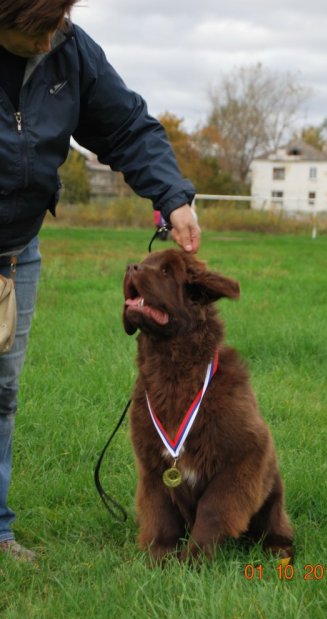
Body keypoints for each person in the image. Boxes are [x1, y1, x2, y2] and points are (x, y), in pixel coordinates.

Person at [0, 0, 200, 562]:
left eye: (56, 22)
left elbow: (126, 127)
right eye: (33, 28)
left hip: (14, 254)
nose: (48, 40)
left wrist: (173, 197)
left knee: (1, 394)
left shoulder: (69, 49)